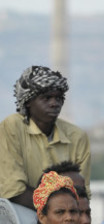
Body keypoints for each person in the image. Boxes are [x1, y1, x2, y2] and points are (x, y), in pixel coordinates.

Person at [0, 66, 90, 214]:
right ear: (28, 101)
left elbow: (81, 192)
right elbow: (14, 190)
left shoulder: (77, 136)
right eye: (46, 98)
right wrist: (54, 212)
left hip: (69, 218)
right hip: (18, 217)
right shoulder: (11, 127)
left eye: (59, 98)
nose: (54, 103)